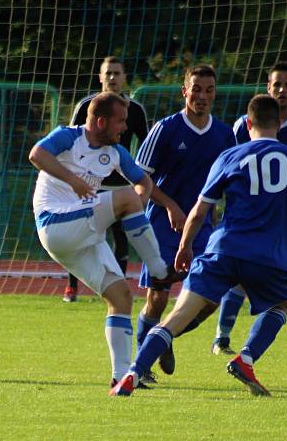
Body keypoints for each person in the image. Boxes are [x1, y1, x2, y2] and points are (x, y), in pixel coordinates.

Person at [110, 95, 287, 397]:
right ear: (278, 123)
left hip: (222, 249)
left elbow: (200, 210)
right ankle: (246, 358)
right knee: (280, 306)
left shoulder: (230, 156)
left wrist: (184, 246)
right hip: (267, 255)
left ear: (248, 123)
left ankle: (133, 372)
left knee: (176, 316)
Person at [29, 92, 182, 387]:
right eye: (120, 121)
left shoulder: (115, 153)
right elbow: (37, 154)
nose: (124, 128)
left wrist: (137, 204)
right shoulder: (68, 137)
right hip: (55, 223)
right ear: (101, 121)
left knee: (120, 296)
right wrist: (73, 180)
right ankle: (161, 271)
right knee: (123, 198)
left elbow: (144, 181)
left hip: (83, 233)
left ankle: (121, 376)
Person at [133, 64, 236, 383]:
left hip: (204, 227)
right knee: (159, 297)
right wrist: (171, 206)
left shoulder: (224, 134)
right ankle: (143, 363)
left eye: (209, 90)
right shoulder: (166, 128)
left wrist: (221, 217)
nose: (202, 96)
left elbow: (229, 180)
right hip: (164, 225)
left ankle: (163, 336)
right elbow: (141, 178)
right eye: (197, 89)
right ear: (185, 91)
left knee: (210, 298)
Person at [211, 61, 287, 357]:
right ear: (268, 88)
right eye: (277, 84)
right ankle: (222, 337)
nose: (282, 89)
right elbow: (230, 165)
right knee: (242, 275)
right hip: (251, 215)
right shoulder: (244, 126)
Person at [62, 56, 149, 302]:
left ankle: (115, 289)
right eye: (108, 73)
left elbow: (146, 145)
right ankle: (71, 288)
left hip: (121, 185)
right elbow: (72, 140)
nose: (112, 77)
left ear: (124, 77)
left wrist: (136, 175)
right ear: (100, 77)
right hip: (88, 185)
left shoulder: (135, 110)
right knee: (79, 236)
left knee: (121, 239)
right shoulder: (86, 106)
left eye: (117, 73)